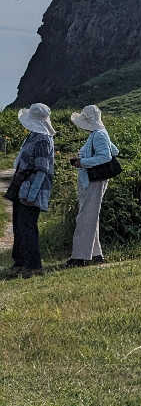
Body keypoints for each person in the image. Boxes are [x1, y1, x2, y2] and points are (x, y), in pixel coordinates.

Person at [6, 103, 56, 277]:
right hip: (22, 185)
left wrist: (32, 194)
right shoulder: (33, 136)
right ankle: (19, 262)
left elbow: (42, 170)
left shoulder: (43, 139)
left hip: (31, 189)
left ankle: (34, 266)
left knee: (27, 227)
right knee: (19, 226)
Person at [67, 105, 119, 267]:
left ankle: (79, 257)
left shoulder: (98, 135)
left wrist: (82, 162)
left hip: (94, 181)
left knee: (85, 218)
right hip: (93, 181)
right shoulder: (100, 134)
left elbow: (105, 156)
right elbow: (114, 151)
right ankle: (96, 255)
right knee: (89, 217)